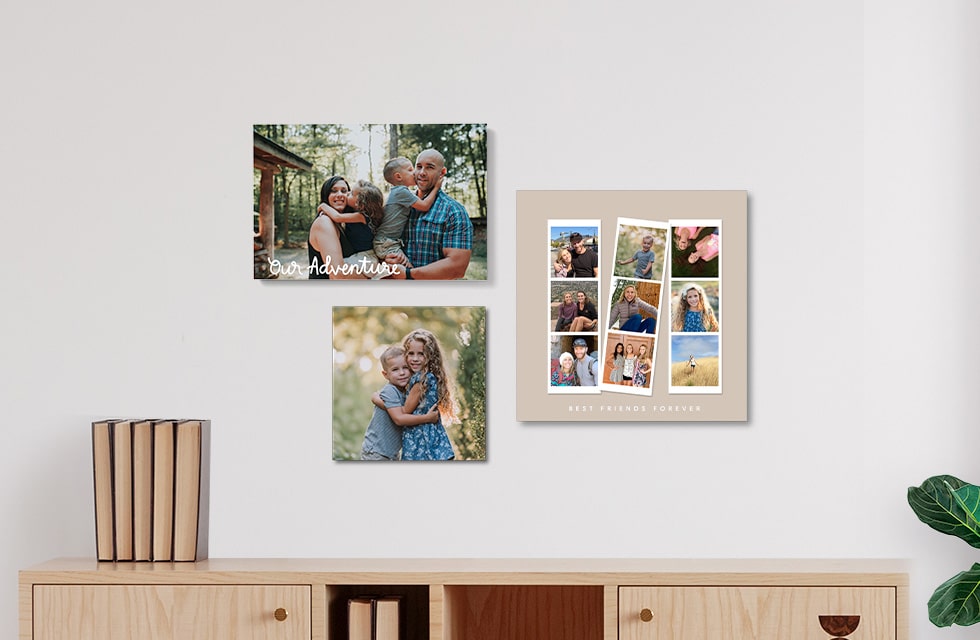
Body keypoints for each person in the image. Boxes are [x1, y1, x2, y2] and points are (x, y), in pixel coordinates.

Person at [387, 149, 472, 280]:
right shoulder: (399, 206)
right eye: (419, 167)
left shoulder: (454, 211)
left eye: (429, 167)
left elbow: (457, 267)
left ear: (442, 173)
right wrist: (390, 257)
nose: (421, 173)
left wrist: (409, 274)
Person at [362, 346, 439, 460]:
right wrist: (427, 418)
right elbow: (399, 419)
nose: (402, 373)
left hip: (390, 453)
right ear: (385, 374)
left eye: (405, 368)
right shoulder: (390, 390)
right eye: (395, 369)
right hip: (376, 452)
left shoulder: (407, 391)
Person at [399, 329, 456, 460]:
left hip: (420, 441)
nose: (415, 359)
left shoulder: (421, 380)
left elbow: (404, 411)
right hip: (431, 438)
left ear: (430, 355)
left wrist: (381, 401)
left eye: (421, 354)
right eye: (410, 354)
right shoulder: (431, 377)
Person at [375, 157, 443, 265]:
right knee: (408, 271)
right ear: (398, 176)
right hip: (387, 243)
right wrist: (436, 187)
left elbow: (417, 198)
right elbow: (425, 206)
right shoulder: (401, 192)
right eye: (410, 170)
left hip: (386, 242)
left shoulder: (399, 192)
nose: (415, 172)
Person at [308, 176, 374, 280]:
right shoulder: (324, 222)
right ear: (326, 195)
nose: (339, 195)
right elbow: (338, 273)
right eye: (333, 191)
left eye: (344, 191)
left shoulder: (346, 223)